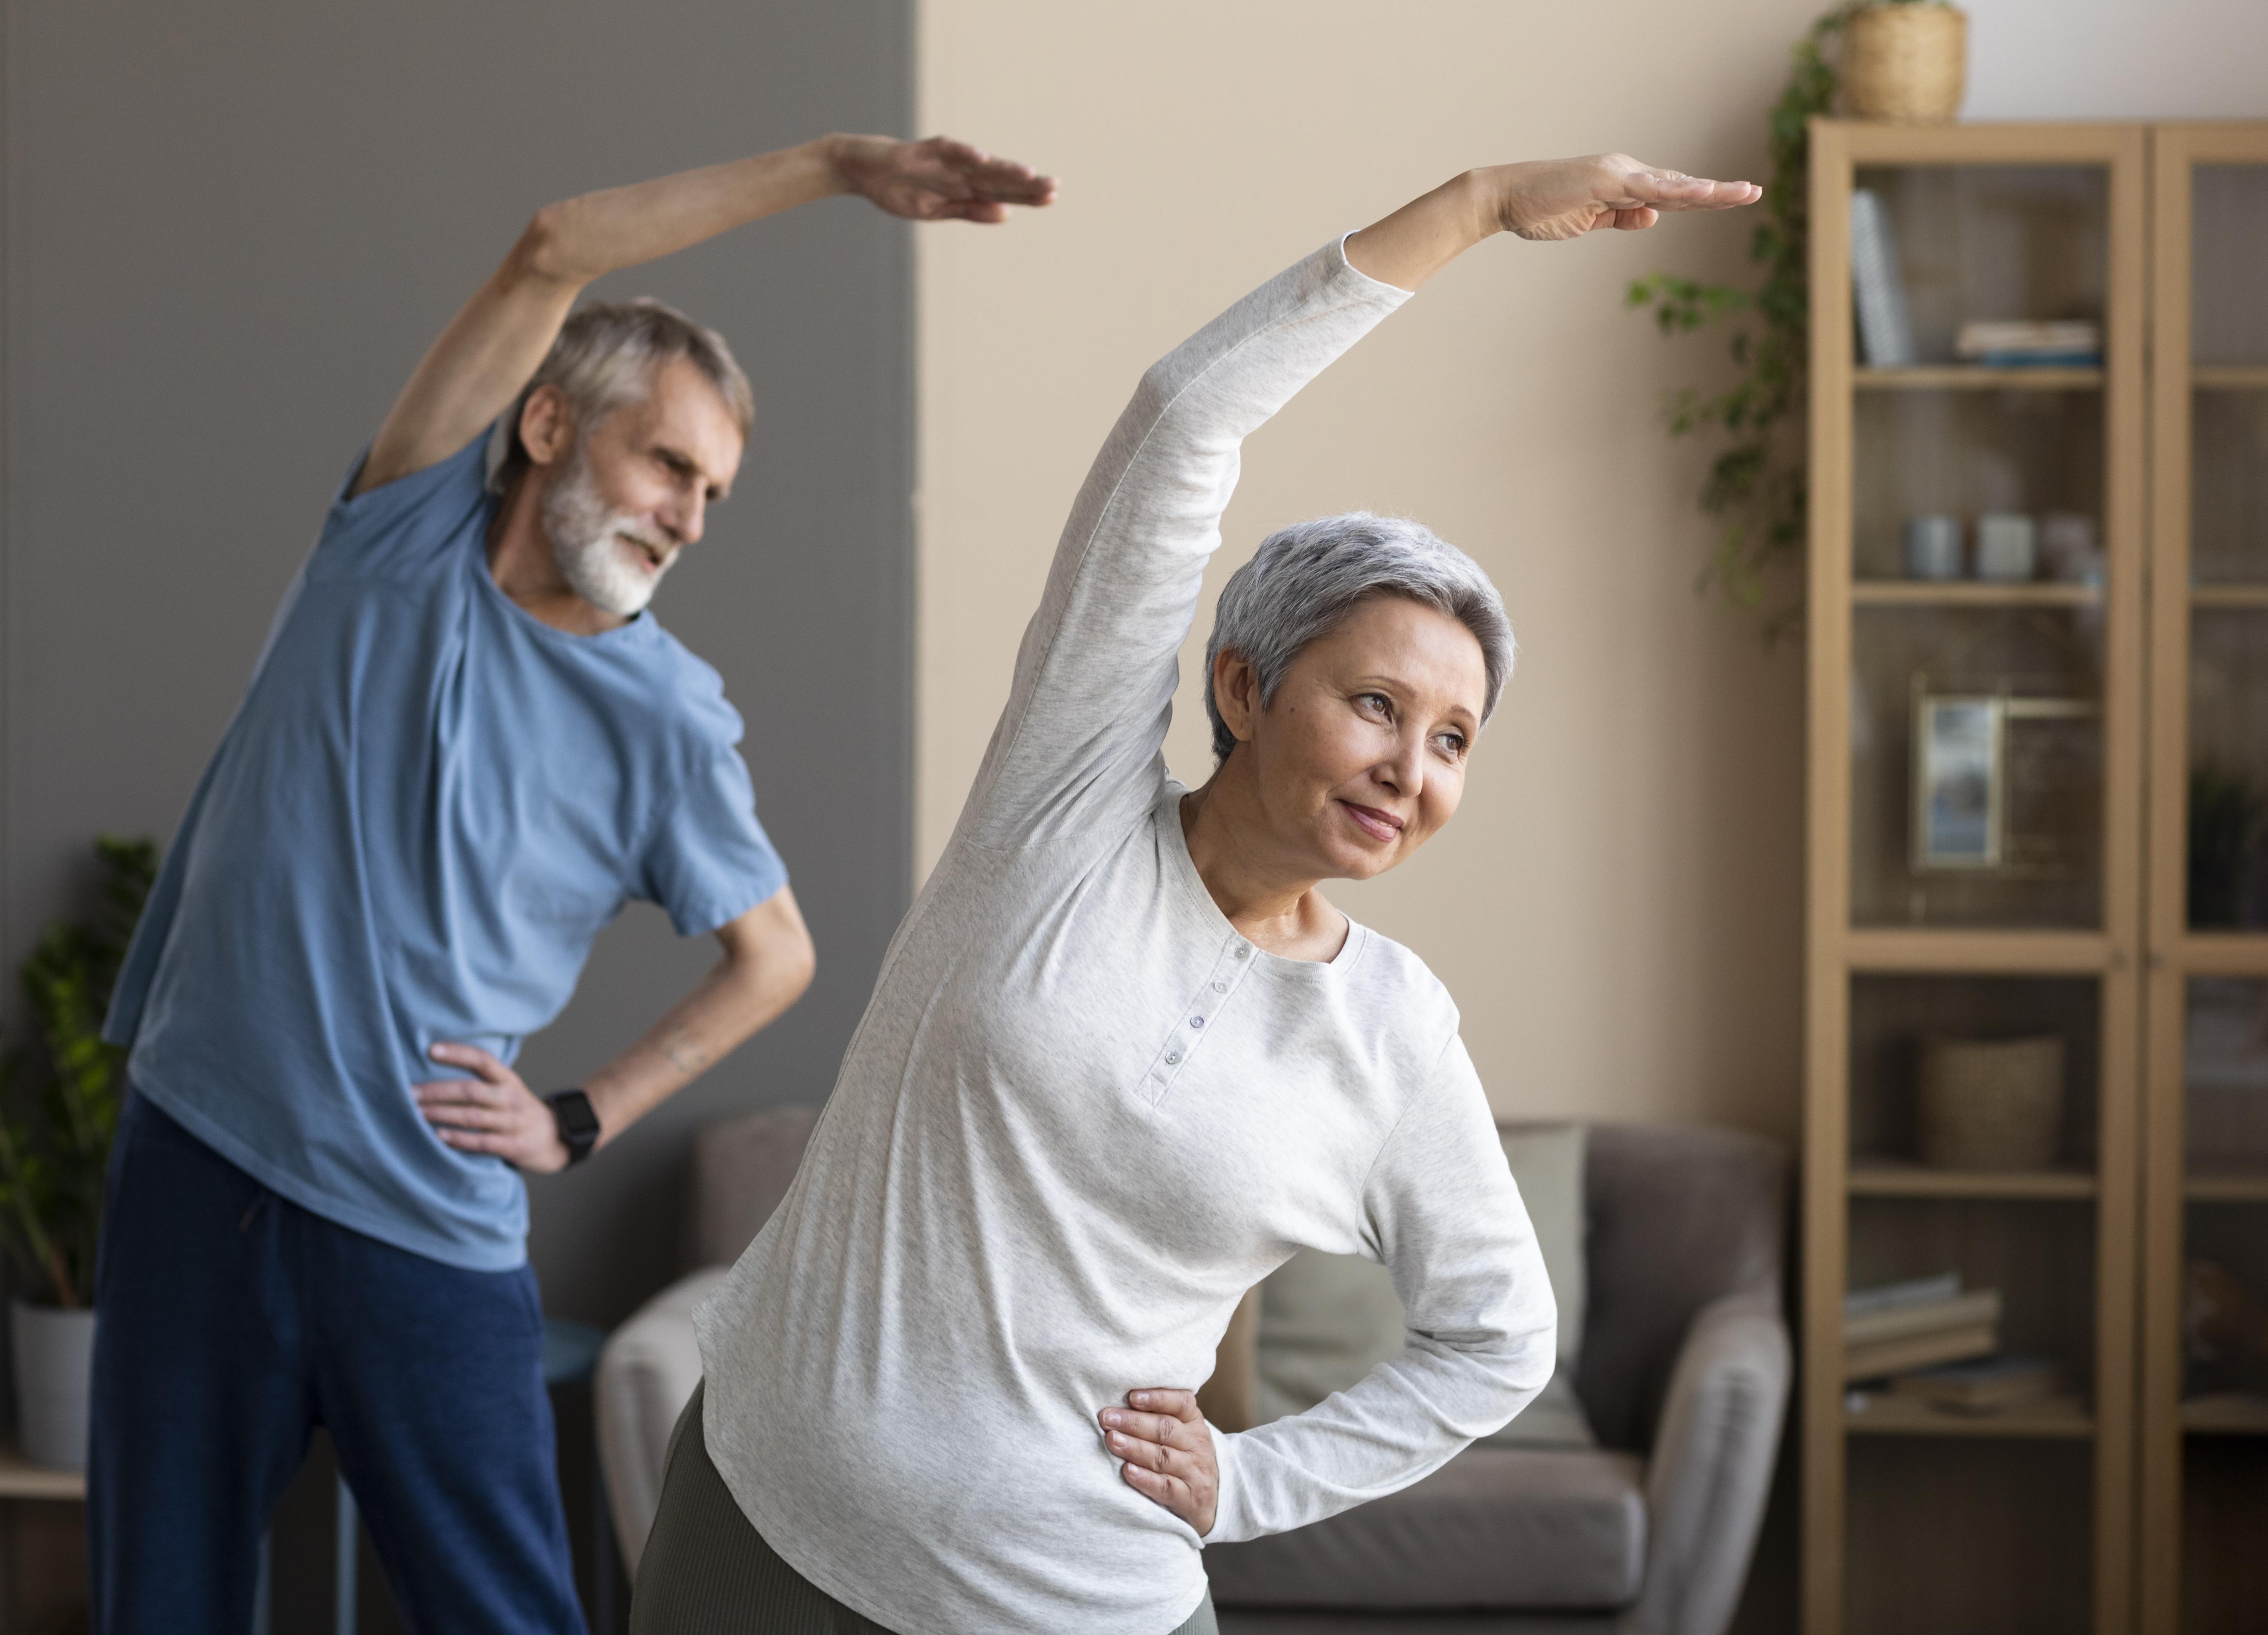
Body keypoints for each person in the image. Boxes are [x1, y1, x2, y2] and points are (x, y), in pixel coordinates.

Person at [631, 152, 1759, 1635]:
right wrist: (1479, 208)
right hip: (760, 1534)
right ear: (1240, 683)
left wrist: (1253, 1481)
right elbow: (1186, 414)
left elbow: (1499, 1338)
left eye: (1453, 740)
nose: (1408, 767)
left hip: (1075, 1602)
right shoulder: (1064, 812)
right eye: (1373, 702)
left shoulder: (1390, 1030)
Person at [86, 134, 1057, 1634]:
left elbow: (776, 953)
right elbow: (554, 245)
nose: (686, 515)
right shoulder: (395, 536)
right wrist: (840, 169)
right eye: (668, 463)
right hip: (198, 1166)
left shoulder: (668, 717)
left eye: (712, 493)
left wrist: (579, 1114)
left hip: (421, 1227)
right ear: (547, 422)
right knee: (160, 1607)